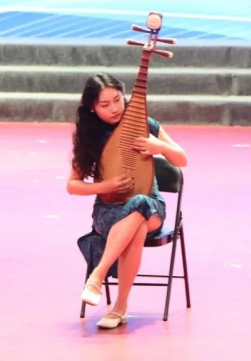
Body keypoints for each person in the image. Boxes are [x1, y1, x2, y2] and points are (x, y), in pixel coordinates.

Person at [67, 73, 188, 329]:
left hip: (151, 206)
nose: (114, 108)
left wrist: (161, 147)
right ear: (92, 107)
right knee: (136, 225)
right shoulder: (90, 136)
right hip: (108, 210)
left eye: (117, 99)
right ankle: (120, 307)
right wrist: (105, 187)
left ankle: (97, 276)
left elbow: (182, 159)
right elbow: (72, 185)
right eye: (105, 104)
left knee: (141, 204)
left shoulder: (146, 125)